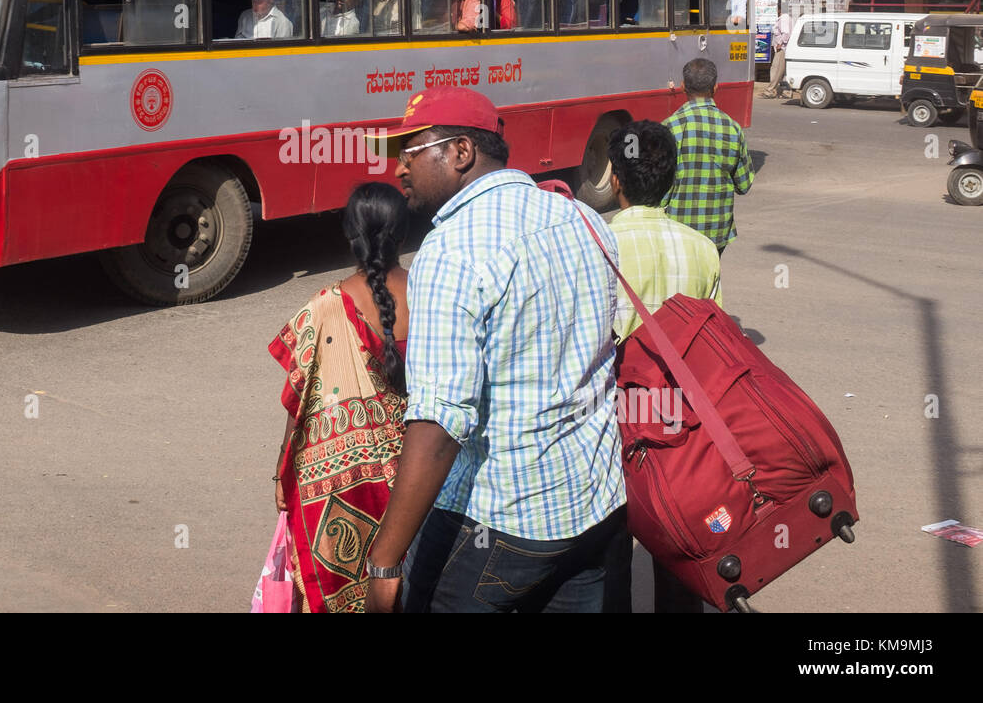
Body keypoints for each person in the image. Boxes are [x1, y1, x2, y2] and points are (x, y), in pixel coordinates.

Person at [363, 87, 627, 613]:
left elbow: (440, 424)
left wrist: (385, 560)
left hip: (505, 519)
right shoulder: (582, 219)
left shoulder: (451, 249)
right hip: (596, 507)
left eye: (410, 151)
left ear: (460, 153)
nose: (398, 169)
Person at [271, 182, 410, 613]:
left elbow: (301, 401)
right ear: (403, 234)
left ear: (349, 235)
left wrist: (281, 470)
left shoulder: (325, 307)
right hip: (418, 477)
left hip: (347, 491)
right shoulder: (434, 292)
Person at [602, 120, 720, 614]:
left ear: (615, 179)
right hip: (680, 423)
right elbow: (711, 345)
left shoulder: (596, 243)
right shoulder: (703, 249)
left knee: (610, 555)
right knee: (677, 542)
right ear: (671, 180)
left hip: (613, 421)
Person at [662, 58, 754, 255]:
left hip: (678, 231)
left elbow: (659, 192)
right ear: (716, 88)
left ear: (682, 86)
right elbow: (744, 184)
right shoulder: (732, 129)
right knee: (709, 284)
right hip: (716, 232)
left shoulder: (668, 128)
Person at [765, 9, 793, 98]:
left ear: (778, 9)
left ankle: (770, 91)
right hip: (784, 48)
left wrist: (780, 44)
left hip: (782, 49)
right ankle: (786, 92)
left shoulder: (784, 18)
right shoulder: (785, 18)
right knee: (783, 72)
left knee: (776, 70)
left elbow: (786, 33)